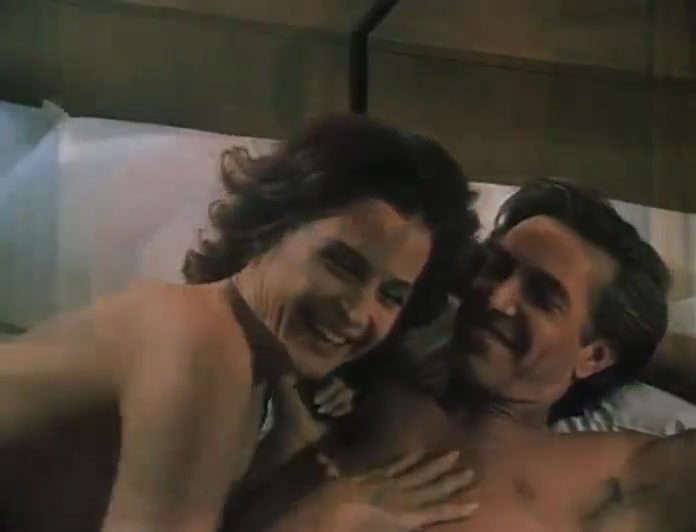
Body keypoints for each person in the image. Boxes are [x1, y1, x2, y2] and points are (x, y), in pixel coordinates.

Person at [0, 115, 481, 532]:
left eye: (392, 296)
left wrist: (294, 452)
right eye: (341, 264)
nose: (357, 312)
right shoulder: (202, 342)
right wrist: (322, 521)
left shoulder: (254, 383)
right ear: (270, 228)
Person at [228, 177, 696, 532]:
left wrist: (639, 348)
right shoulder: (363, 389)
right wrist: (322, 510)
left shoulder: (620, 473)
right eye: (495, 267)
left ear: (595, 356)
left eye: (542, 295)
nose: (496, 298)